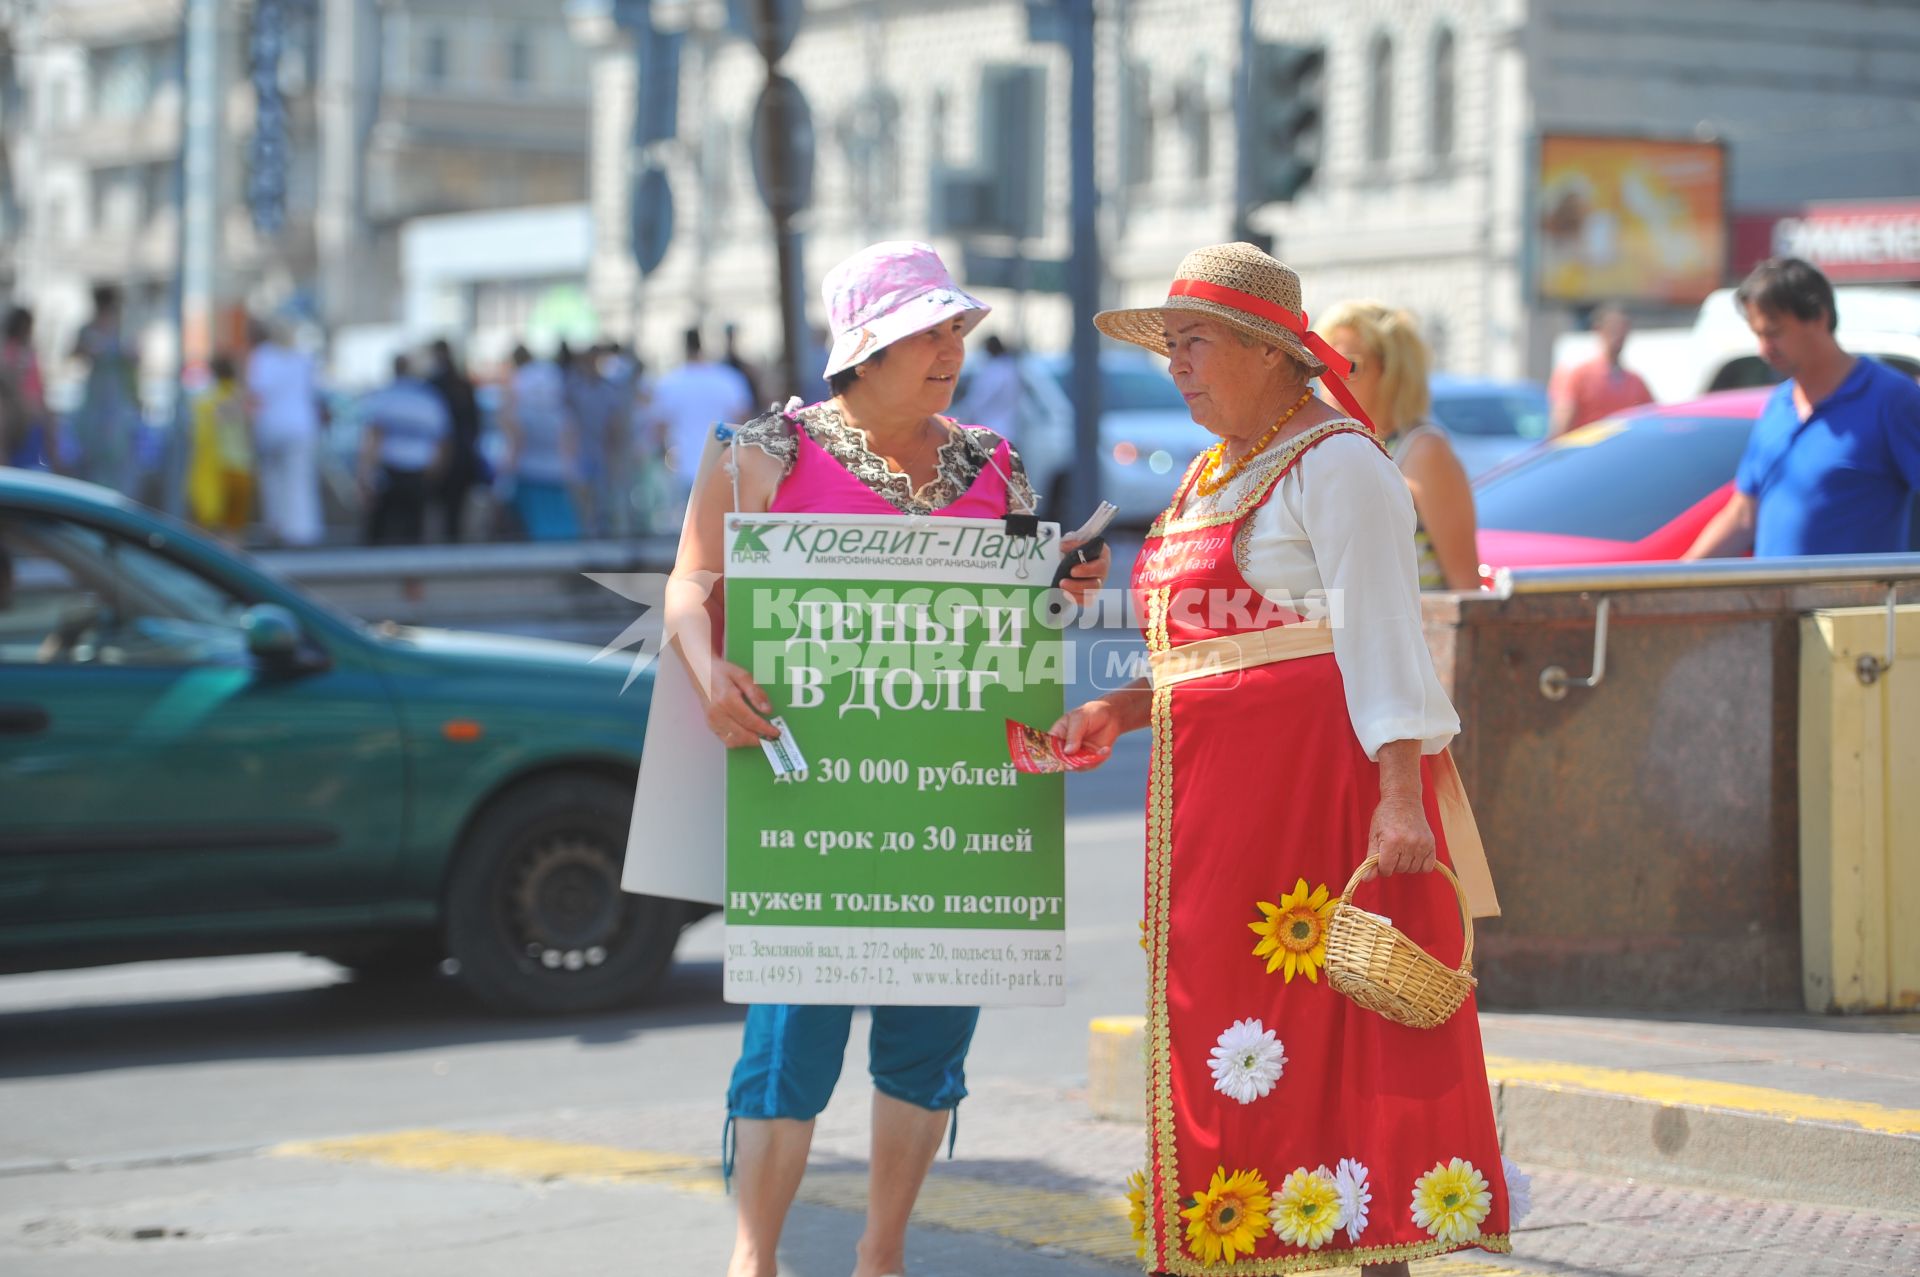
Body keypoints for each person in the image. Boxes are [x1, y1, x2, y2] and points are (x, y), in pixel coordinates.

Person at [648, 240, 1109, 1277]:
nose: (952, 348)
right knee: (789, 1038)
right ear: (864, 348)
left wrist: (1067, 586)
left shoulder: (997, 460)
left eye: (956, 330)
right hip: (813, 791)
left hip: (960, 790)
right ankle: (754, 1257)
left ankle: (882, 1253)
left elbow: (1026, 606)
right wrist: (707, 668)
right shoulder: (757, 452)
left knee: (932, 1032)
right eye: (927, 332)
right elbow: (687, 585)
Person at [1054, 243, 1513, 1275]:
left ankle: (1355, 1253)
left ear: (1268, 350)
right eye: (1169, 346)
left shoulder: (1339, 461)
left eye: (1195, 342)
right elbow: (1210, 643)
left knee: (1338, 1042)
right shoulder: (1216, 466)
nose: (1177, 365)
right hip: (1218, 812)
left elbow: (1382, 637)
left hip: (1316, 800)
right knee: (1238, 1031)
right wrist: (1125, 707)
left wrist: (1401, 798)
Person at [1685, 257, 1920, 560]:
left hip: (1851, 605)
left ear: (1818, 317)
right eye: (1758, 335)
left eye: (1774, 332)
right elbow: (1744, 514)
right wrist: (1672, 580)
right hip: (1772, 605)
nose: (1764, 349)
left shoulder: (1890, 398)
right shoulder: (1779, 404)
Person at [1318, 301, 1481, 590]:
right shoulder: (1341, 446)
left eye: (1348, 365)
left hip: (1416, 630)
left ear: (1393, 371)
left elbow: (1465, 588)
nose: (1330, 378)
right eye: (1322, 363)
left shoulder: (1423, 452)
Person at [645, 327, 755, 503]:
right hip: (723, 466)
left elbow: (659, 430)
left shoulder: (669, 383)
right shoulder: (728, 379)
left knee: (686, 525)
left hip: (683, 468)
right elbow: (746, 423)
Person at [247, 319, 326, 546]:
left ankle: (277, 526)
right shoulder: (304, 358)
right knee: (300, 479)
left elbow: (256, 393)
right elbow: (315, 391)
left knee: (272, 480)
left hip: (271, 424)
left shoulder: (262, 356)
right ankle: (302, 530)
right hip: (301, 425)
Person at [357, 354, 451, 546]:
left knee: (379, 534)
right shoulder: (429, 399)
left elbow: (373, 440)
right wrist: (434, 473)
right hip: (418, 472)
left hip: (389, 471)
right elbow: (441, 442)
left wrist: (364, 475)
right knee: (413, 534)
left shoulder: (385, 397)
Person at [497, 345, 581, 540]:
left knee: (535, 533)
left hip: (529, 478)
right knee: (562, 532)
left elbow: (514, 448)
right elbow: (569, 449)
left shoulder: (519, 415)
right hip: (557, 479)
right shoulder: (562, 416)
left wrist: (501, 481)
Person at [70, 285, 143, 492]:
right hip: (97, 404)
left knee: (118, 458)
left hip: (117, 405)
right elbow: (75, 352)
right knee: (95, 458)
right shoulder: (89, 329)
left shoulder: (123, 330)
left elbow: (136, 360)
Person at [1547, 303, 1652, 437]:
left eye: (1623, 329)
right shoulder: (1579, 375)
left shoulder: (1636, 381)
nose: (1619, 336)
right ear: (1599, 330)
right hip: (1590, 453)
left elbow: (1651, 419)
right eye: (1613, 329)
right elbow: (1562, 426)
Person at [186, 354, 254, 541]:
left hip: (215, 469)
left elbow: (197, 436)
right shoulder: (239, 397)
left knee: (208, 526)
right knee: (234, 529)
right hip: (240, 465)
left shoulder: (207, 401)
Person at [426, 339, 484, 542]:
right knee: (455, 513)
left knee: (441, 511)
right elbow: (476, 424)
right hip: (461, 456)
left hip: (444, 457)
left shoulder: (434, 385)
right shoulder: (462, 384)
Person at [1, 307, 56, 471]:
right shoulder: (9, 353)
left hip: (30, 414)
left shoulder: (28, 353)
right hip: (18, 414)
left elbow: (38, 387)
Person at [957, 333, 1025, 447]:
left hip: (990, 431)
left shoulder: (994, 370)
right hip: (1007, 429)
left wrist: (963, 415)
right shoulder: (1010, 368)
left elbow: (979, 398)